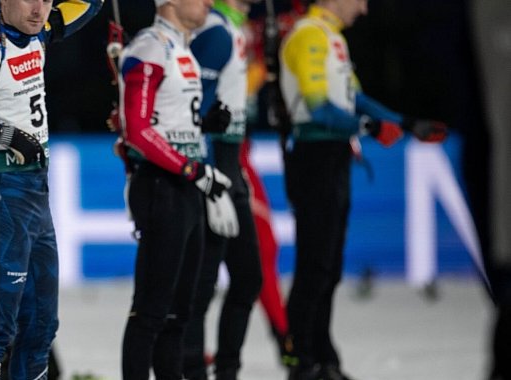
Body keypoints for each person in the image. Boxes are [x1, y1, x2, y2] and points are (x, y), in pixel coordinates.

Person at [278, 0, 447, 378]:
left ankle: (322, 359)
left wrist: (406, 122)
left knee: (330, 267)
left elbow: (355, 99)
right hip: (314, 156)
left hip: (332, 155)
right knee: (315, 266)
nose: (364, 8)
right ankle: (301, 362)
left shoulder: (331, 37)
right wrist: (370, 127)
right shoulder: (309, 34)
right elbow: (319, 108)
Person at [0, 0, 102, 378]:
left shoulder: (38, 33)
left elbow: (90, 5)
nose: (39, 9)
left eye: (47, 0)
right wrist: (1, 135)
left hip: (35, 194)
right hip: (1, 192)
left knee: (42, 325)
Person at [115, 0, 243, 378]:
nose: (208, 3)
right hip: (162, 186)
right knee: (151, 311)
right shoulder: (150, 46)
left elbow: (167, 120)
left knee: (180, 312)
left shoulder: (183, 47)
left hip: (185, 186)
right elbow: (138, 132)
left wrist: (204, 123)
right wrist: (190, 168)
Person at [180, 1, 263, 379]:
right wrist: (208, 176)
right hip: (216, 165)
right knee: (202, 285)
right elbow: (195, 108)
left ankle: (227, 370)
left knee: (247, 277)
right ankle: (195, 367)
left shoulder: (225, 29)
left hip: (230, 165)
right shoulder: (215, 32)